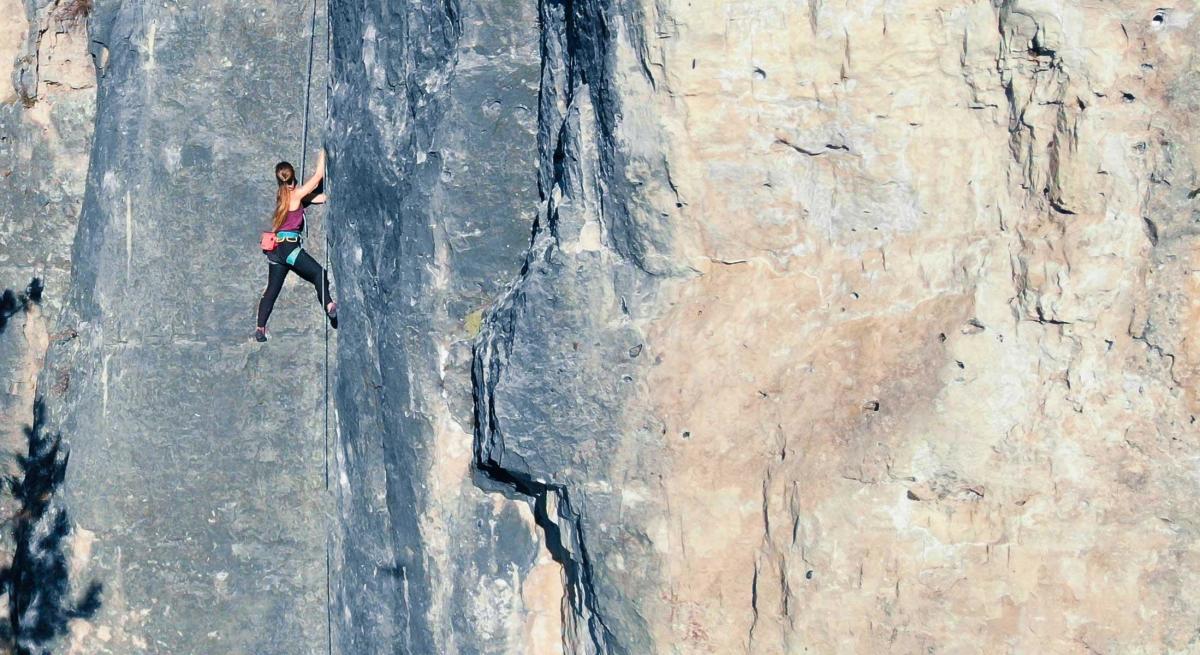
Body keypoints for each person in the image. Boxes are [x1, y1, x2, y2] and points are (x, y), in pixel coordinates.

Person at [255, 149, 337, 342]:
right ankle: (329, 306)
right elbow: (317, 177)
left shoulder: (283, 196)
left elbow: (316, 197)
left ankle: (260, 328)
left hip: (276, 252)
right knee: (319, 273)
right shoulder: (296, 194)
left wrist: (325, 197)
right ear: (293, 178)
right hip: (289, 249)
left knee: (272, 290)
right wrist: (323, 152)